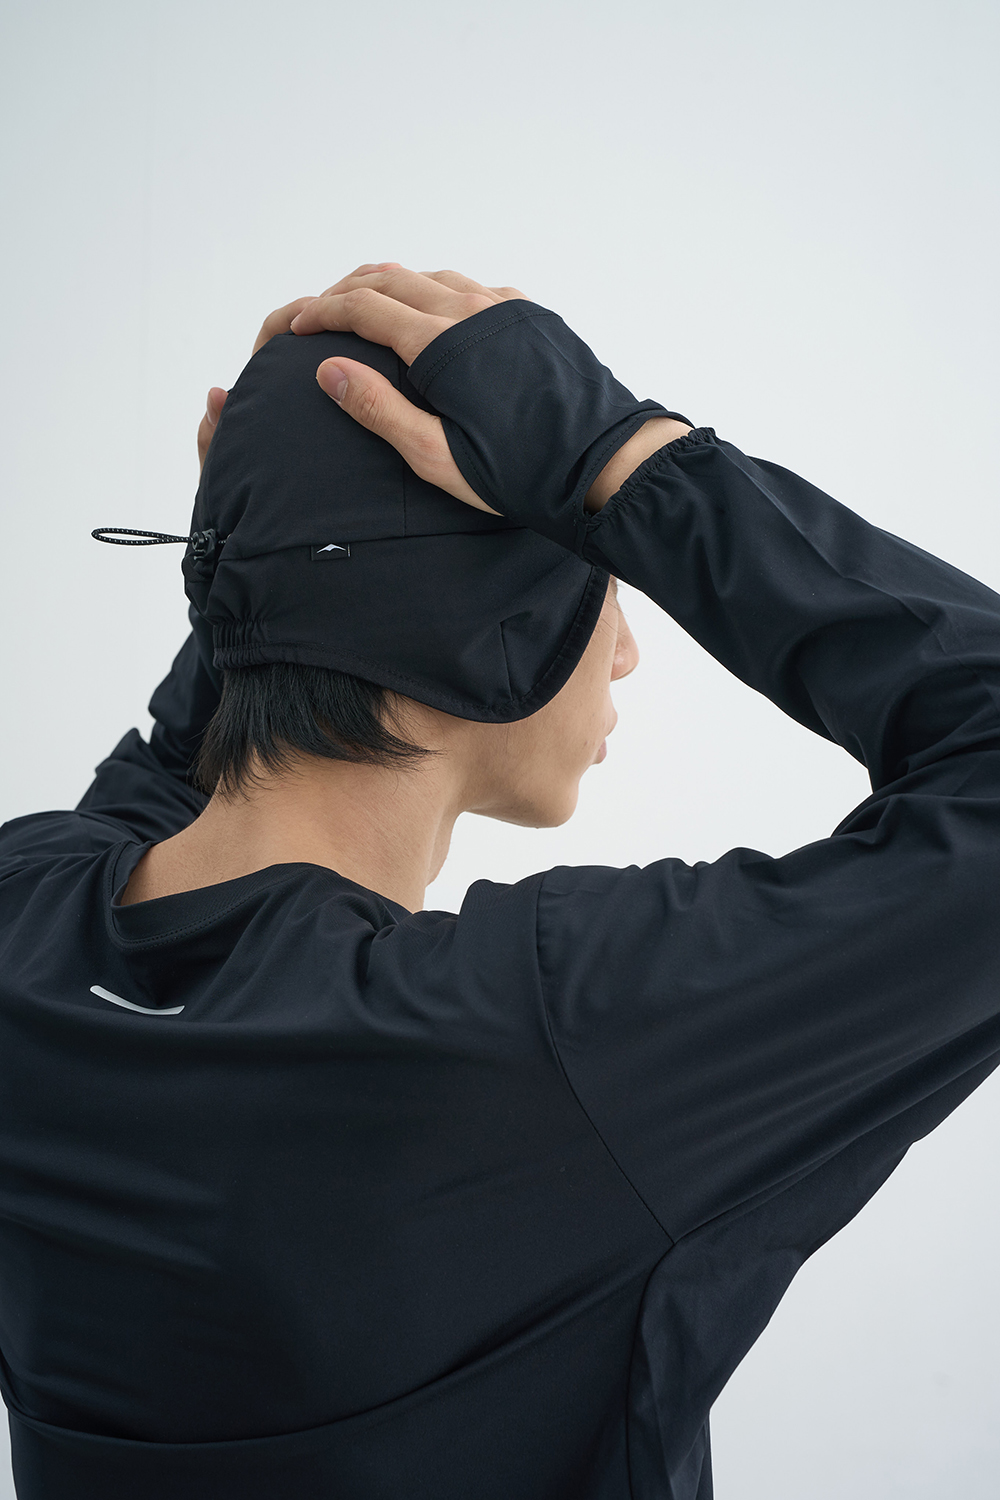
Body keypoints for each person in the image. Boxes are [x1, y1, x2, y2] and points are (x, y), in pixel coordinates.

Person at [0, 262, 997, 1500]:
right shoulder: (543, 1038)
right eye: (602, 577)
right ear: (484, 630)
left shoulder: (27, 923)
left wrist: (268, 545)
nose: (626, 651)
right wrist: (626, 463)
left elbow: (175, 774)